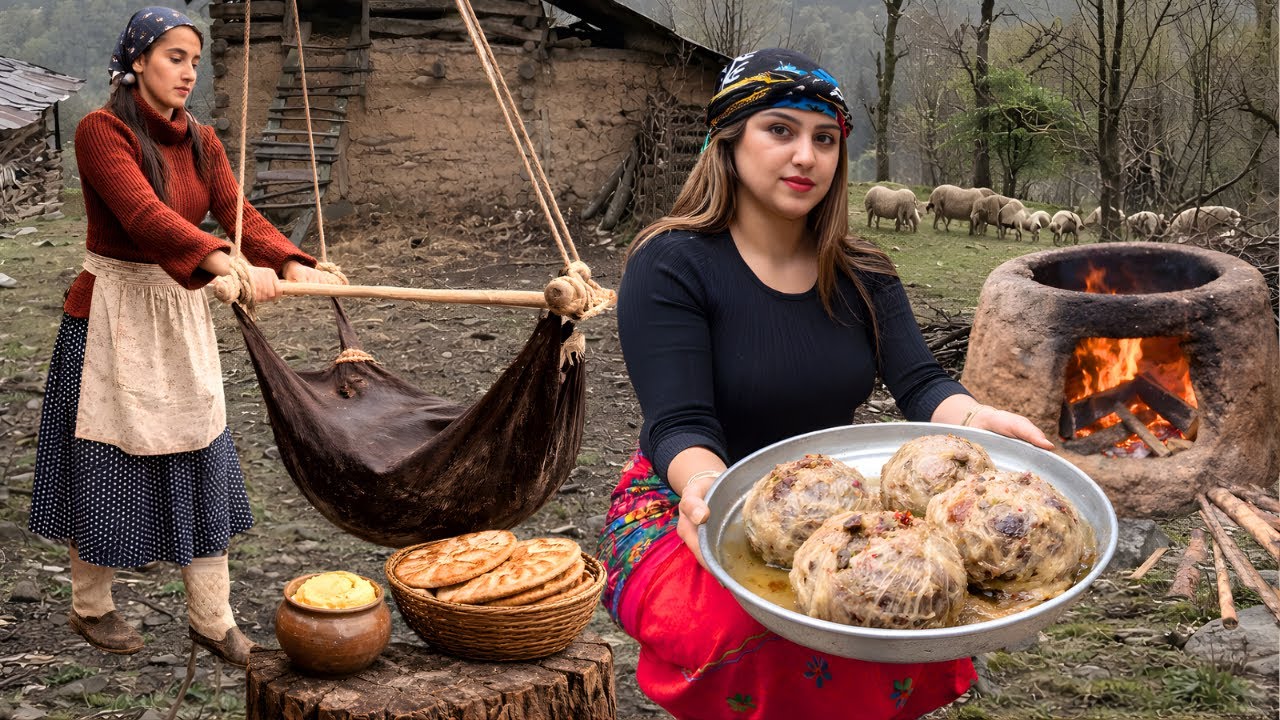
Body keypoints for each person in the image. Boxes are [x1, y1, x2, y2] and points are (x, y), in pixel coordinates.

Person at [597, 49, 1054, 719]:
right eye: (779, 130)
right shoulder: (670, 264)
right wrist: (706, 489)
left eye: (825, 138)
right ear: (729, 139)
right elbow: (679, 425)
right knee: (763, 632)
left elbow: (922, 382)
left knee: (890, 605)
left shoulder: (865, 270)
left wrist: (972, 417)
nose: (805, 156)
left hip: (841, 502)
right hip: (683, 499)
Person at [27, 7, 341, 667]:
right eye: (175, 57)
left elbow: (236, 212)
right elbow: (143, 216)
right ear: (137, 60)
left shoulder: (201, 139)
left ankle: (212, 619)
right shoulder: (99, 130)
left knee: (202, 453)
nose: (188, 72)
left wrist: (288, 260)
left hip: (181, 306)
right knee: (105, 456)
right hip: (110, 313)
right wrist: (227, 263)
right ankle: (91, 606)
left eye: (194, 61)